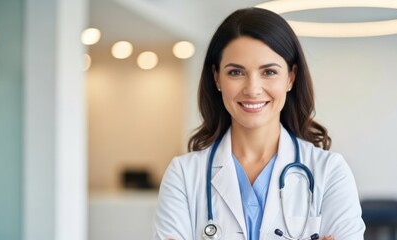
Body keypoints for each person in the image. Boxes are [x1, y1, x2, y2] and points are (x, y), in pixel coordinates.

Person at [153, 7, 365, 240]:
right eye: (235, 72)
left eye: (269, 72)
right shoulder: (183, 176)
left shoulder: (330, 172)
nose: (252, 89)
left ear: (291, 77)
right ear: (217, 78)